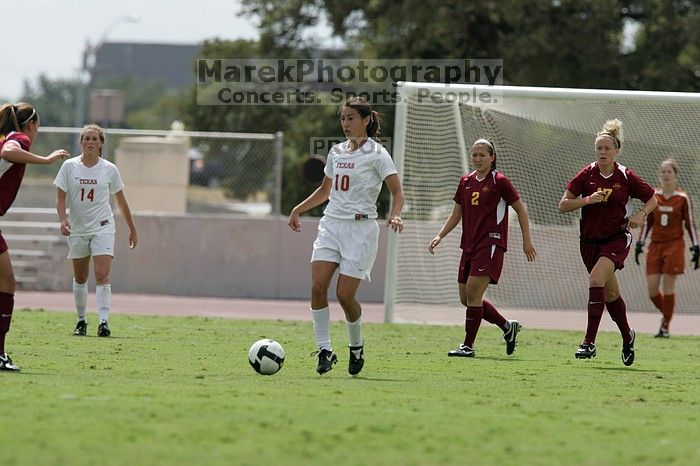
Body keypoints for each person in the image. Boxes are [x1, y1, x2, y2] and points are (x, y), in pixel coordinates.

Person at [288, 96, 404, 376]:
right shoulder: (336, 151)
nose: (346, 123)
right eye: (342, 118)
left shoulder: (377, 153)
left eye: (351, 118)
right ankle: (325, 350)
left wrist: (396, 214)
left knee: (344, 295)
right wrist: (298, 209)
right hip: (331, 226)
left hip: (361, 230)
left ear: (366, 120)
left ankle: (356, 346)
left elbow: (397, 192)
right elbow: (326, 191)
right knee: (318, 287)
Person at [559, 119, 657, 366]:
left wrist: (640, 215)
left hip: (616, 239)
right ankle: (627, 336)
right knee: (610, 293)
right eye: (599, 148)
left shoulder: (625, 176)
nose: (602, 152)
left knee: (595, 280)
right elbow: (563, 205)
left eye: (607, 148)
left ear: (617, 151)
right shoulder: (587, 173)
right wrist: (587, 200)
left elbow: (652, 199)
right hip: (588, 242)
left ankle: (588, 342)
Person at [428, 138, 537, 358]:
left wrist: (527, 241)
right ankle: (508, 327)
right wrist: (440, 235)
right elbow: (456, 213)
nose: (478, 159)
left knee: (473, 294)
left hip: (491, 243)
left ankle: (467, 346)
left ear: (492, 157)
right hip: (469, 245)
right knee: (466, 299)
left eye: (482, 155)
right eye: (475, 155)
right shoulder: (466, 181)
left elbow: (521, 210)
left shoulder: (500, 181)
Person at [0, 103, 69, 371]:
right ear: (32, 124)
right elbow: (9, 151)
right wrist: (47, 159)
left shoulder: (10, 137)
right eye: (38, 125)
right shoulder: (20, 138)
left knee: (7, 282)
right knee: (7, 283)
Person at [54, 124, 137, 338]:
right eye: (86, 139)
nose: (90, 142)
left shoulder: (109, 169)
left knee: (102, 273)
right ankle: (81, 321)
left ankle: (103, 322)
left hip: (103, 227)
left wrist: (132, 228)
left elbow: (121, 201)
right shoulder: (69, 167)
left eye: (94, 139)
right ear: (80, 143)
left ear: (101, 144)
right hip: (78, 229)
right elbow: (60, 197)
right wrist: (63, 220)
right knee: (80, 278)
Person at [635, 158, 698, 337]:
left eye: (669, 171)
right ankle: (667, 316)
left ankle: (665, 327)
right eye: (663, 171)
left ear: (676, 175)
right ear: (659, 175)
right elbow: (647, 222)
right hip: (655, 246)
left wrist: (696, 246)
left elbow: (690, 224)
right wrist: (640, 242)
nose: (666, 174)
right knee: (652, 289)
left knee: (668, 286)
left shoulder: (683, 198)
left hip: (675, 246)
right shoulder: (654, 196)